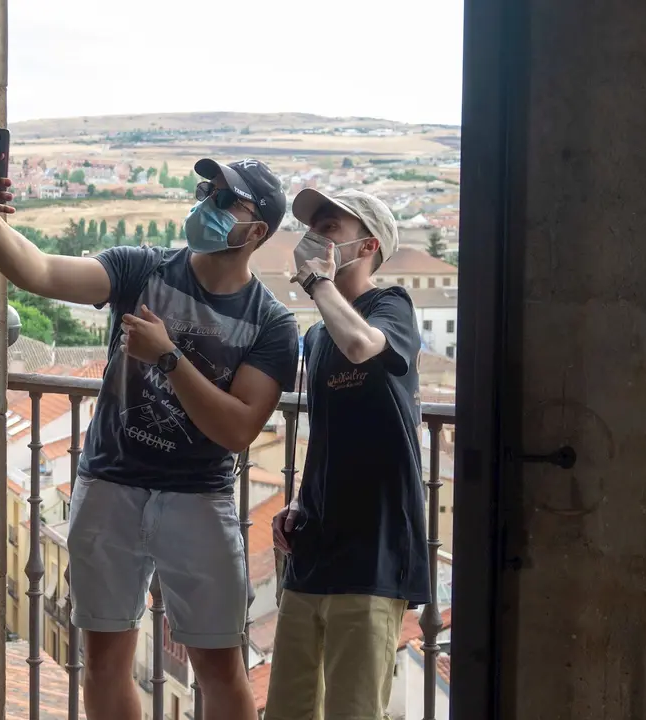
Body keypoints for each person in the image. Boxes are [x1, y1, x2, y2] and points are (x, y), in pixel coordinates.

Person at [0, 154, 299, 720]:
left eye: (225, 200)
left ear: (258, 231)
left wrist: (169, 357)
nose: (206, 204)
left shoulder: (271, 324)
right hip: (109, 487)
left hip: (199, 498)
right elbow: (42, 272)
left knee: (220, 669)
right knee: (104, 659)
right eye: (205, 190)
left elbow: (239, 428)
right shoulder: (141, 269)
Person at [265, 188, 430, 720]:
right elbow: (329, 432)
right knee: (288, 707)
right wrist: (300, 502)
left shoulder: (391, 306)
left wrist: (315, 281)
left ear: (367, 246)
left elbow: (364, 346)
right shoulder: (315, 337)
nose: (315, 237)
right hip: (314, 548)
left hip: (375, 552)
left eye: (331, 228)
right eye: (314, 227)